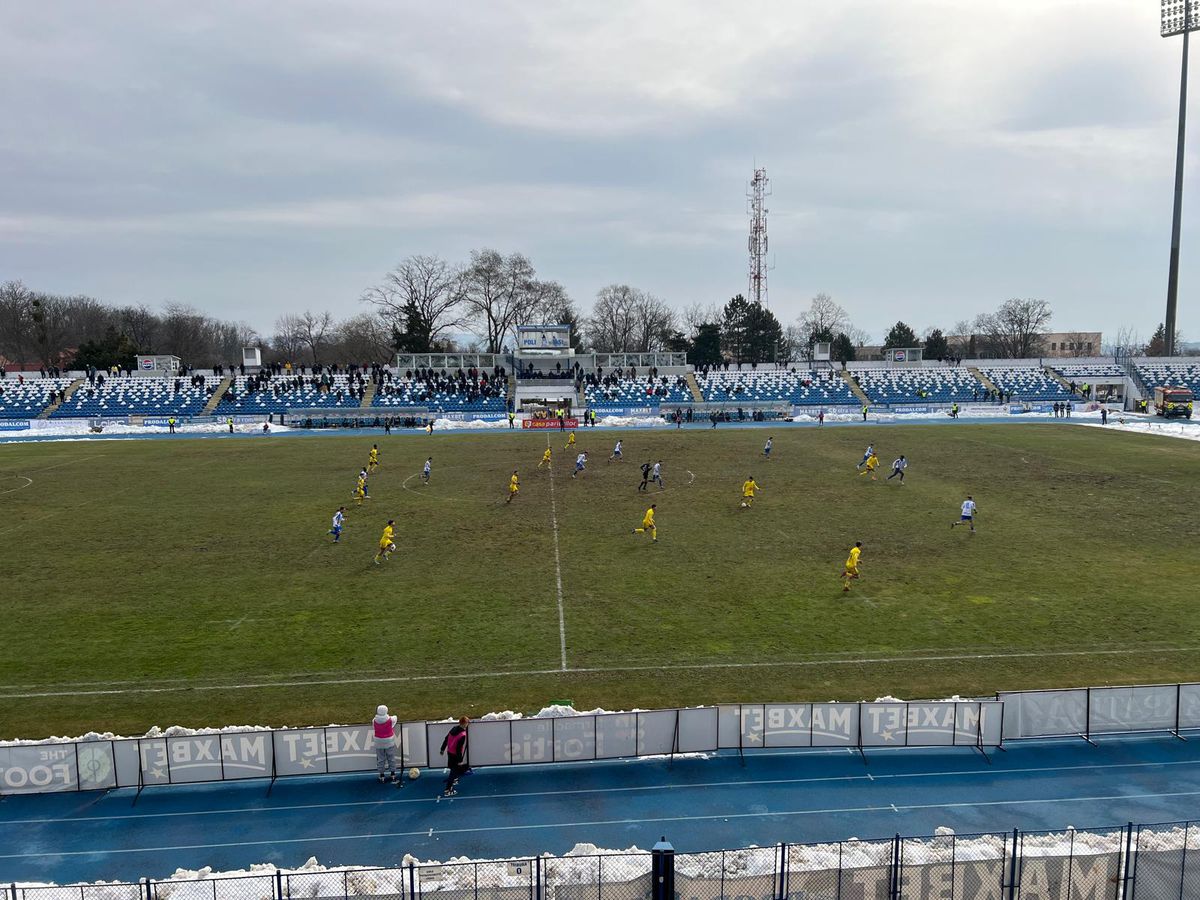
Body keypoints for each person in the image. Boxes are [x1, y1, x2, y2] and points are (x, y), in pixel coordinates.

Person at [440, 717, 470, 796]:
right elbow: (458, 749)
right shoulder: (463, 735)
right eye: (467, 722)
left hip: (449, 752)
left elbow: (446, 739)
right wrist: (460, 760)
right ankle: (448, 790)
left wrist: (442, 749)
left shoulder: (453, 729)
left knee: (452, 768)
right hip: (455, 755)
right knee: (453, 771)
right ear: (464, 724)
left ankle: (454, 779)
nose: (468, 724)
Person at [373, 705, 402, 785]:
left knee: (381, 759)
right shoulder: (391, 720)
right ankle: (393, 774)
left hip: (378, 741)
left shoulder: (374, 720)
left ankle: (382, 776)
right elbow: (395, 717)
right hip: (389, 741)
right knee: (391, 757)